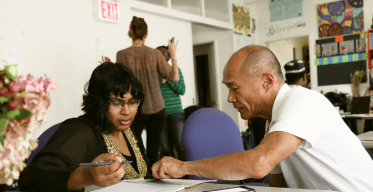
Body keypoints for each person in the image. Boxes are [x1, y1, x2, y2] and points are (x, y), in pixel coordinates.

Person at [151, 45, 373, 191]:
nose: (229, 98)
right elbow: (278, 182)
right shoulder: (275, 120)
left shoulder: (302, 102)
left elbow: (258, 164)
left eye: (235, 88)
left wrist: (184, 167)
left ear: (267, 81)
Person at [19, 62, 150, 192]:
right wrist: (85, 176)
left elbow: (141, 176)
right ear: (100, 102)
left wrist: (161, 171)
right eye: (116, 103)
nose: (126, 111)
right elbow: (31, 179)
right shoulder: (81, 131)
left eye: (132, 102)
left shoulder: (129, 129)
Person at [116, 16, 179, 166]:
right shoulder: (154, 53)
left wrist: (109, 67)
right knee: (153, 152)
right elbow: (174, 77)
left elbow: (119, 82)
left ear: (130, 32)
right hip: (157, 108)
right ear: (146, 34)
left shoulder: (121, 55)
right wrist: (173, 54)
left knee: (136, 151)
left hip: (134, 109)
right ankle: (154, 183)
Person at [156, 45, 186, 161]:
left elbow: (181, 90)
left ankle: (185, 174)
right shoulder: (153, 74)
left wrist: (168, 79)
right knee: (166, 148)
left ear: (168, 56)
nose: (160, 55)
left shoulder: (176, 70)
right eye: (158, 53)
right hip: (160, 114)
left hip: (176, 113)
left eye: (163, 52)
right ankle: (169, 174)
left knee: (181, 146)